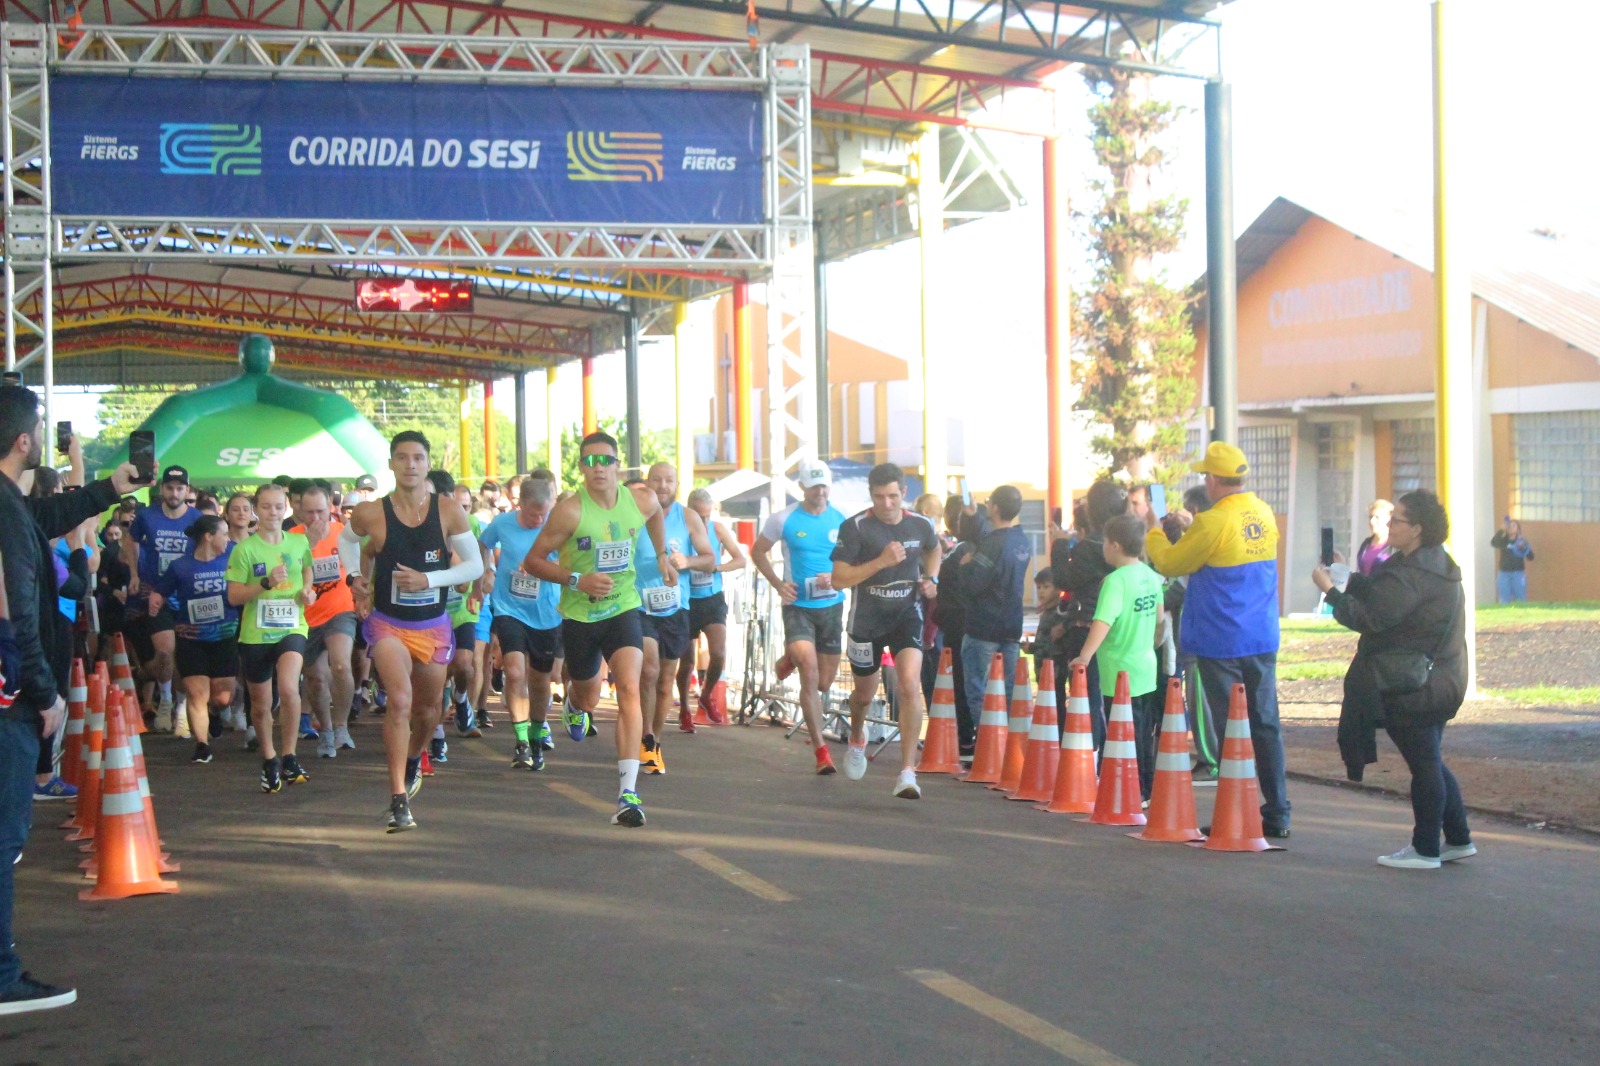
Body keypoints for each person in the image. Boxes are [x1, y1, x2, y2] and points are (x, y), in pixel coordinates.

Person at [0, 385, 141, 1016]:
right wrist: (43, 690)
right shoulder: (4, 506)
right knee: (4, 838)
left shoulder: (11, 504)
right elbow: (11, 611)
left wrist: (109, 488)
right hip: (10, 694)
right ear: (25, 439)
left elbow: (47, 519)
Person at [519, 431, 673, 827]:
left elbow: (656, 513)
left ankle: (627, 793)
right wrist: (576, 580)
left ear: (618, 464)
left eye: (605, 460)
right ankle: (574, 703)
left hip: (624, 609)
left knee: (630, 689)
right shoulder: (570, 511)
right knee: (588, 695)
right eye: (590, 461)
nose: (598, 468)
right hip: (580, 616)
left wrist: (662, 554)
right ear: (582, 468)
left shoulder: (640, 500)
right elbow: (533, 562)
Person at [1315, 489, 1473, 870]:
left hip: (1417, 684)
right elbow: (1383, 594)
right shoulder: (1426, 563)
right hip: (1440, 677)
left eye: (1397, 519)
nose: (1389, 524)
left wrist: (1331, 594)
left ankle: (1425, 849)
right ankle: (1457, 839)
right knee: (1429, 757)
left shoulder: (1413, 573)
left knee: (1424, 763)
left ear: (1417, 528)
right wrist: (1347, 579)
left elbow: (1373, 618)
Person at [1144, 440, 1290, 839]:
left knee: (1231, 730)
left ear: (1211, 480)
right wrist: (1193, 532)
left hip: (1221, 639)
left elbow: (1172, 562)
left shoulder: (1212, 522)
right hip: (1260, 635)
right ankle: (1277, 810)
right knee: (1265, 723)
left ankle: (1236, 814)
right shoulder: (1262, 513)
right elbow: (1227, 549)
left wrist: (1155, 533)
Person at [339, 432, 483, 833]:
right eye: (402, 458)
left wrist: (430, 579)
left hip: (433, 626)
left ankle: (414, 756)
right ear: (391, 464)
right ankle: (398, 798)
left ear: (426, 462)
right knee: (400, 700)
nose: (410, 465)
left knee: (426, 711)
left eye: (418, 458)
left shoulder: (450, 510)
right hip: (388, 624)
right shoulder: (371, 512)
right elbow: (346, 541)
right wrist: (355, 577)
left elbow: (473, 566)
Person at [829, 462, 942, 798]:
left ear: (904, 493)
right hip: (866, 620)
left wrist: (931, 578)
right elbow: (838, 579)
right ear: (870, 495)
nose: (887, 504)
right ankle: (857, 736)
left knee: (909, 684)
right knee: (864, 694)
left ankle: (907, 772)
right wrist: (880, 562)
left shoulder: (921, 524)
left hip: (906, 615)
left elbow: (934, 548)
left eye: (893, 496)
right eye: (879, 497)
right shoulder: (856, 528)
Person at [750, 460, 846, 774]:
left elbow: (853, 563)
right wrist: (779, 585)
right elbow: (757, 550)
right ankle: (821, 751)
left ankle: (790, 654)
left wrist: (836, 577)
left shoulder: (841, 520)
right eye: (814, 485)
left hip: (831, 606)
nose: (820, 491)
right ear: (802, 487)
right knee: (810, 668)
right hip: (798, 605)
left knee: (825, 681)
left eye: (824, 485)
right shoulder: (784, 519)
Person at [225, 483, 315, 794]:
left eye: (278, 506)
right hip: (256, 633)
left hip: (292, 627)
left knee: (290, 688)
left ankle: (289, 755)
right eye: (265, 507)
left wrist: (307, 591)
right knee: (261, 705)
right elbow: (234, 596)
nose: (273, 512)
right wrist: (264, 583)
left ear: (287, 507)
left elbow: (307, 571)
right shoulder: (245, 549)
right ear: (255, 511)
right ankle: (269, 759)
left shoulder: (299, 541)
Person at [1070, 514, 1165, 802]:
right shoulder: (1150, 575)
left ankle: (1130, 789)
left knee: (1123, 732)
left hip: (1119, 670)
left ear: (1113, 545)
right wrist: (1153, 644)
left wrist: (1084, 656)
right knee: (1143, 732)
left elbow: (1103, 622)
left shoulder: (1115, 581)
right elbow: (1160, 619)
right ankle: (1146, 788)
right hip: (1146, 666)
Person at [480, 469, 563, 770]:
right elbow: (482, 544)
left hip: (546, 612)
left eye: (544, 515)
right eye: (532, 516)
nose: (538, 521)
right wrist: (486, 570)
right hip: (508, 607)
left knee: (541, 680)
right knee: (515, 673)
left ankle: (538, 730)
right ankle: (522, 741)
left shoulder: (557, 526)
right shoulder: (502, 523)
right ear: (520, 506)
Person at [634, 464, 714, 775]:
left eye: (669, 481)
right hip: (638, 605)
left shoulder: (688, 517)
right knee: (649, 671)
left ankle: (654, 742)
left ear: (677, 485)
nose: (663, 486)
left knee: (666, 680)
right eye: (657, 480)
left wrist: (689, 560)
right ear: (647, 483)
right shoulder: (633, 512)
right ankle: (644, 738)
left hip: (675, 608)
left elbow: (709, 559)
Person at [152, 514, 238, 763]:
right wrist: (156, 600)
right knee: (196, 693)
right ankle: (202, 744)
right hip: (191, 636)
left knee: (223, 698)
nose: (228, 539)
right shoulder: (181, 566)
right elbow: (162, 590)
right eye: (224, 533)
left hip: (225, 635)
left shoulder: (232, 560)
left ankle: (216, 712)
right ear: (209, 536)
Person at [1051, 481, 1128, 751]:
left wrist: (1060, 546)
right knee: (1122, 699)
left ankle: (1093, 756)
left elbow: (1064, 579)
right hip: (1125, 628)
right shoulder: (1130, 542)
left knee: (1090, 695)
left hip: (1087, 626)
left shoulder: (1089, 547)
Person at [122, 465, 201, 729]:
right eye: (170, 488)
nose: (175, 493)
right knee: (165, 651)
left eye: (180, 488)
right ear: (162, 489)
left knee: (184, 655)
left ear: (187, 490)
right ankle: (165, 699)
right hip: (157, 593)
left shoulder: (197, 519)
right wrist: (133, 573)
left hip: (188, 595)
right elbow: (129, 540)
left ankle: (181, 705)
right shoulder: (146, 515)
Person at [290, 486, 358, 759]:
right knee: (316, 677)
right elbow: (287, 576)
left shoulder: (343, 533)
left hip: (339, 609)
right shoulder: (290, 538)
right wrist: (307, 542)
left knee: (341, 663)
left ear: (330, 506)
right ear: (298, 510)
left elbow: (361, 565)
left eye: (321, 510)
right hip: (305, 616)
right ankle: (326, 729)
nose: (316, 517)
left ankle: (341, 725)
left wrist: (363, 596)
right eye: (310, 512)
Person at [958, 485, 1033, 732]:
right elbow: (985, 536)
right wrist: (971, 516)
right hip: (1011, 626)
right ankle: (1010, 755)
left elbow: (973, 584)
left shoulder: (992, 545)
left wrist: (966, 565)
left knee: (981, 693)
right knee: (1008, 693)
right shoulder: (1020, 540)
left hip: (983, 627)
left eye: (989, 501)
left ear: (995, 507)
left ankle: (990, 755)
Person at [676, 487, 747, 730]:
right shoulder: (679, 528)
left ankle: (706, 696)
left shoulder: (717, 529)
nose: (704, 520)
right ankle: (685, 708)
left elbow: (740, 559)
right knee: (686, 661)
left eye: (707, 515)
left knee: (718, 652)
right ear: (689, 511)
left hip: (712, 597)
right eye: (699, 515)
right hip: (687, 599)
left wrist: (716, 568)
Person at [1490, 518, 1534, 603]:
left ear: (1518, 529)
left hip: (1518, 574)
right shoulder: (1503, 541)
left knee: (1521, 599)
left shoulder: (1522, 541)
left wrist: (1523, 548)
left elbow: (1531, 557)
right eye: (1509, 525)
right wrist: (1501, 530)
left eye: (1513, 525)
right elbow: (1493, 543)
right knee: (1504, 600)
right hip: (1504, 574)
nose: (1510, 527)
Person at [1356, 499, 1394, 577]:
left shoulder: (1394, 546)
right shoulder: (1366, 543)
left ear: (1389, 520)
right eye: (1370, 517)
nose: (1372, 521)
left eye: (1377, 517)